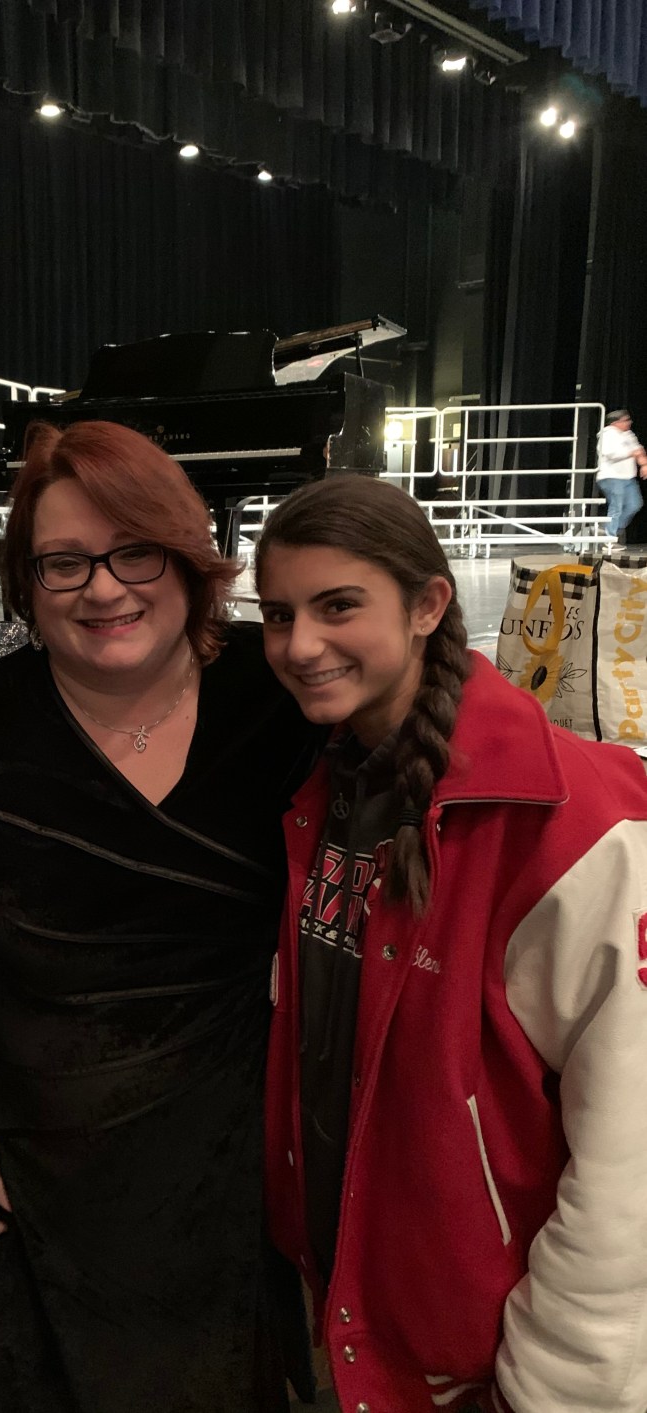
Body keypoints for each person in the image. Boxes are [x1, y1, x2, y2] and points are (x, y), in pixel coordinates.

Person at [0, 419, 324, 1413]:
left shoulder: (276, 694)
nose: (103, 589)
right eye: (63, 562)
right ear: (27, 585)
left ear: (188, 557)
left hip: (219, 1166)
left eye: (134, 552)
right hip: (34, 1168)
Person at [255, 474, 647, 1413]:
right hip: (364, 1325)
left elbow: (627, 1159)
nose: (300, 645)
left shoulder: (567, 822)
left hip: (497, 1367)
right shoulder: (325, 789)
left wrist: (560, 1383)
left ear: (429, 604)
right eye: (278, 614)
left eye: (337, 606)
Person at [596, 406, 647, 541]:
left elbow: (639, 450)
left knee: (635, 504)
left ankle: (608, 528)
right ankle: (610, 538)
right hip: (611, 477)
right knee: (616, 507)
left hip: (628, 477)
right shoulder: (607, 434)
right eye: (626, 420)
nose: (629, 422)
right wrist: (632, 453)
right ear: (616, 422)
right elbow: (611, 454)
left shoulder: (629, 435)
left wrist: (644, 464)